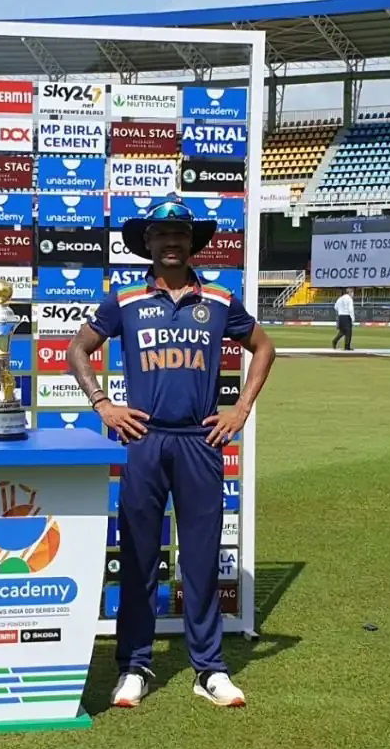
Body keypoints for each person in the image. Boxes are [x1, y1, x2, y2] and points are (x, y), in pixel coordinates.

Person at [66, 196, 276, 709]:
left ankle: (209, 669)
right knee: (138, 557)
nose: (171, 242)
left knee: (202, 560)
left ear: (191, 242)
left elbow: (265, 348)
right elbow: (77, 349)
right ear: (148, 244)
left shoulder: (222, 299)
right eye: (161, 235)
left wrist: (240, 409)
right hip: (143, 439)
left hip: (200, 442)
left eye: (179, 233)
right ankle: (134, 665)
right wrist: (103, 404)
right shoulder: (126, 299)